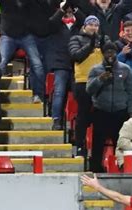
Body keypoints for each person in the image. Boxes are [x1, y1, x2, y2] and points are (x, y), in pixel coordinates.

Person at [86, 42, 132, 172]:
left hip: (120, 112)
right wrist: (100, 79)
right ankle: (96, 169)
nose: (110, 54)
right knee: (98, 143)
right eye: (107, 52)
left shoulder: (125, 69)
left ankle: (122, 168)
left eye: (113, 52)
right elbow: (89, 90)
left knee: (120, 143)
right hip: (101, 112)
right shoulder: (95, 70)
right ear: (103, 53)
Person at [68, 15, 108, 157]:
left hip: (102, 82)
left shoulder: (103, 39)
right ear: (84, 26)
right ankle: (80, 146)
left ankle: (98, 149)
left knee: (101, 116)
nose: (93, 27)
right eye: (90, 24)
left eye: (96, 25)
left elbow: (111, 56)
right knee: (83, 115)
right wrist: (90, 45)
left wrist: (103, 45)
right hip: (83, 82)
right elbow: (75, 56)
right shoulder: (76, 39)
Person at [47, 0, 85, 130]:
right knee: (59, 92)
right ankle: (56, 120)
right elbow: (51, 23)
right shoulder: (56, 23)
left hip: (78, 64)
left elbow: (85, 21)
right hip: (60, 64)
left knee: (79, 94)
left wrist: (75, 8)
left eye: (70, 10)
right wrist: (62, 9)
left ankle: (78, 122)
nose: (68, 12)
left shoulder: (79, 25)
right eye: (66, 10)